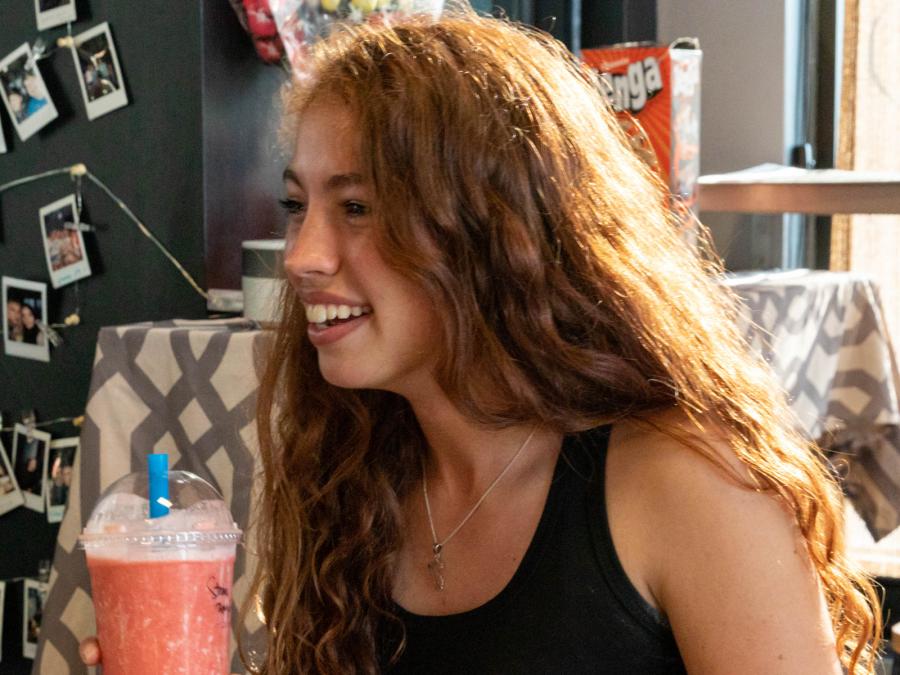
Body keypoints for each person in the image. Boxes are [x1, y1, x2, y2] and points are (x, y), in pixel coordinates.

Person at [83, 9, 881, 674]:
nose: (302, 256)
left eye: (357, 207)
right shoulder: (356, 476)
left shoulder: (686, 483)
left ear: (496, 232)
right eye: (299, 207)